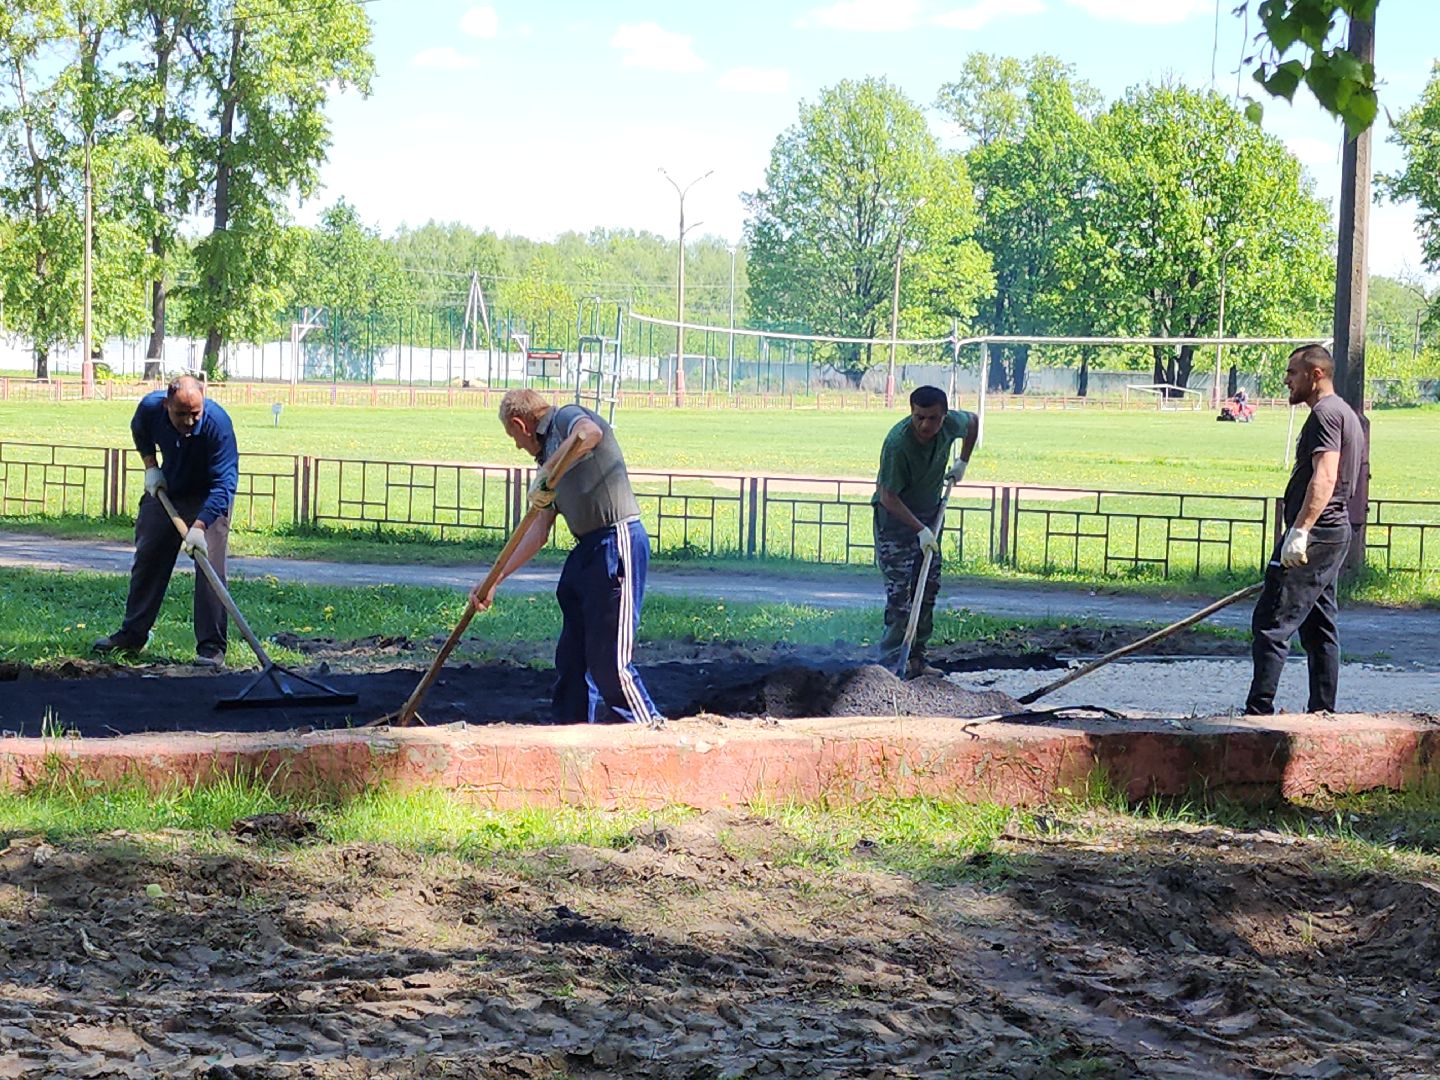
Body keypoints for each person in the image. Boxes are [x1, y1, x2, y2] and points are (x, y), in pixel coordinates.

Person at [473, 389, 662, 726]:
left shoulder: (565, 419)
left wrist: (548, 470)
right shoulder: (547, 456)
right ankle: (570, 739)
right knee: (573, 662)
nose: (516, 445)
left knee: (610, 663)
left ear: (521, 424)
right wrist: (494, 581)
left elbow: (590, 433)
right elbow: (538, 530)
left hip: (616, 542)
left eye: (512, 436)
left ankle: (650, 733)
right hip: (586, 552)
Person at [1244, 344, 1365, 715]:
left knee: (1272, 621)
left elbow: (1325, 476)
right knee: (1318, 626)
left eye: (1292, 373)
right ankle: (1323, 712)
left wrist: (1300, 531)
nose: (1286, 381)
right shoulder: (1343, 413)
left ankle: (1258, 712)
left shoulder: (1327, 415)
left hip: (1316, 534)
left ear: (1316, 375)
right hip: (1331, 532)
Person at [92, 375, 238, 666]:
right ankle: (132, 635)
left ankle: (211, 648)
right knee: (149, 556)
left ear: (203, 402)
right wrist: (151, 467)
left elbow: (225, 483)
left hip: (209, 497)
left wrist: (199, 527)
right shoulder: (149, 408)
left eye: (194, 413)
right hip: (169, 489)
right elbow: (140, 432)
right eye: (180, 414)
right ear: (166, 404)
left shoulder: (218, 425)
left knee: (209, 569)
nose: (188, 421)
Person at [872, 385, 979, 678]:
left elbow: (973, 421)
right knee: (900, 597)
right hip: (894, 523)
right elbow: (888, 496)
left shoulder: (951, 424)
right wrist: (919, 530)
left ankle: (917, 661)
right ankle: (890, 668)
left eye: (932, 418)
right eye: (918, 417)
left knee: (927, 589)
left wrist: (963, 462)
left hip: (929, 518)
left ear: (944, 416)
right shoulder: (898, 444)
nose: (924, 425)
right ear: (911, 413)